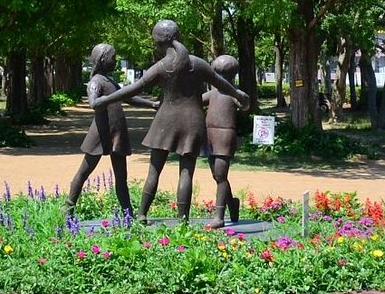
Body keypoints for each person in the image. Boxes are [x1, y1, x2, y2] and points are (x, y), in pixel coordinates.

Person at [94, 20, 248, 223]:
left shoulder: (161, 66)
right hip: (193, 123)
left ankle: (141, 214)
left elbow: (135, 88)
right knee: (186, 173)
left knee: (154, 170)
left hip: (165, 121)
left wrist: (106, 99)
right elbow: (222, 84)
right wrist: (240, 95)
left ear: (159, 44)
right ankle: (182, 220)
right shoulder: (197, 63)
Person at [66, 44, 156, 216]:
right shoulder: (96, 82)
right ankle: (68, 207)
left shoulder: (109, 81)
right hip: (100, 133)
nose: (115, 61)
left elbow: (128, 97)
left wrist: (151, 104)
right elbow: (94, 103)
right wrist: (110, 97)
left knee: (121, 178)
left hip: (117, 132)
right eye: (112, 57)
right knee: (84, 172)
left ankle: (127, 213)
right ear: (102, 59)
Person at [203, 54, 249, 227]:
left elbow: (245, 104)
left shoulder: (235, 94)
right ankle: (232, 203)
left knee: (221, 175)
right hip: (210, 136)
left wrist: (243, 99)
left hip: (224, 136)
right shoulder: (212, 94)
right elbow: (195, 102)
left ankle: (219, 216)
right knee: (217, 175)